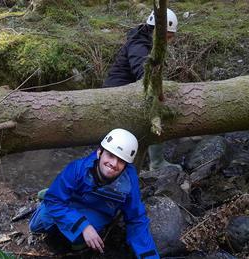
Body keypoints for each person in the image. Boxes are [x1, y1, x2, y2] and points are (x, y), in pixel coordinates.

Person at [29, 128, 160, 258]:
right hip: (72, 200)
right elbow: (54, 201)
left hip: (98, 210)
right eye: (110, 155)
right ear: (99, 152)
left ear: (126, 165)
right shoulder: (77, 168)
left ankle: (60, 196)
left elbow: (136, 219)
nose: (114, 164)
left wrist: (149, 257)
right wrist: (84, 226)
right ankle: (53, 191)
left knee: (77, 239)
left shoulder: (129, 182)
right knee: (36, 226)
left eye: (121, 160)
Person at [103, 8, 181, 172]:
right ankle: (156, 163)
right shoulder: (139, 45)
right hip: (117, 95)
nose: (169, 41)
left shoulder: (146, 41)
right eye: (167, 37)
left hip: (128, 91)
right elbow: (143, 72)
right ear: (157, 31)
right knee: (156, 112)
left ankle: (148, 160)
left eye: (171, 38)